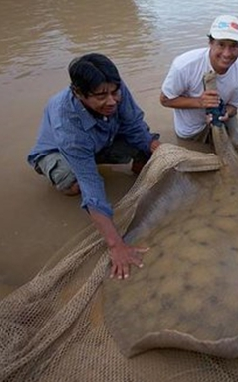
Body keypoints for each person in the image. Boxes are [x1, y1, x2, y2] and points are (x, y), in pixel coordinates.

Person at [28, 53, 161, 280]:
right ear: (78, 93)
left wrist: (161, 151)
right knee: (76, 184)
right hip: (58, 151)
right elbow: (93, 186)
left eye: (114, 92)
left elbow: (135, 127)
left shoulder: (113, 88)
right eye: (101, 96)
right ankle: (61, 175)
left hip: (102, 138)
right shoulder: (67, 126)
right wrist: (115, 244)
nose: (111, 101)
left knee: (146, 150)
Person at [160, 14, 238, 154]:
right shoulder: (183, 66)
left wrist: (225, 113)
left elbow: (234, 106)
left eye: (233, 46)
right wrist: (199, 102)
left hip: (221, 120)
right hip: (191, 129)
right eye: (221, 44)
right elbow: (165, 100)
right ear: (210, 43)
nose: (227, 54)